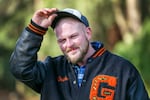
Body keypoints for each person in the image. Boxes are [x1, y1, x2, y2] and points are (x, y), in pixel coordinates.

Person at [9, 8, 149, 100]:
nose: (69, 45)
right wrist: (35, 29)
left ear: (88, 33)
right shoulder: (50, 69)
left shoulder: (123, 70)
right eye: (62, 40)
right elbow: (20, 68)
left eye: (74, 36)